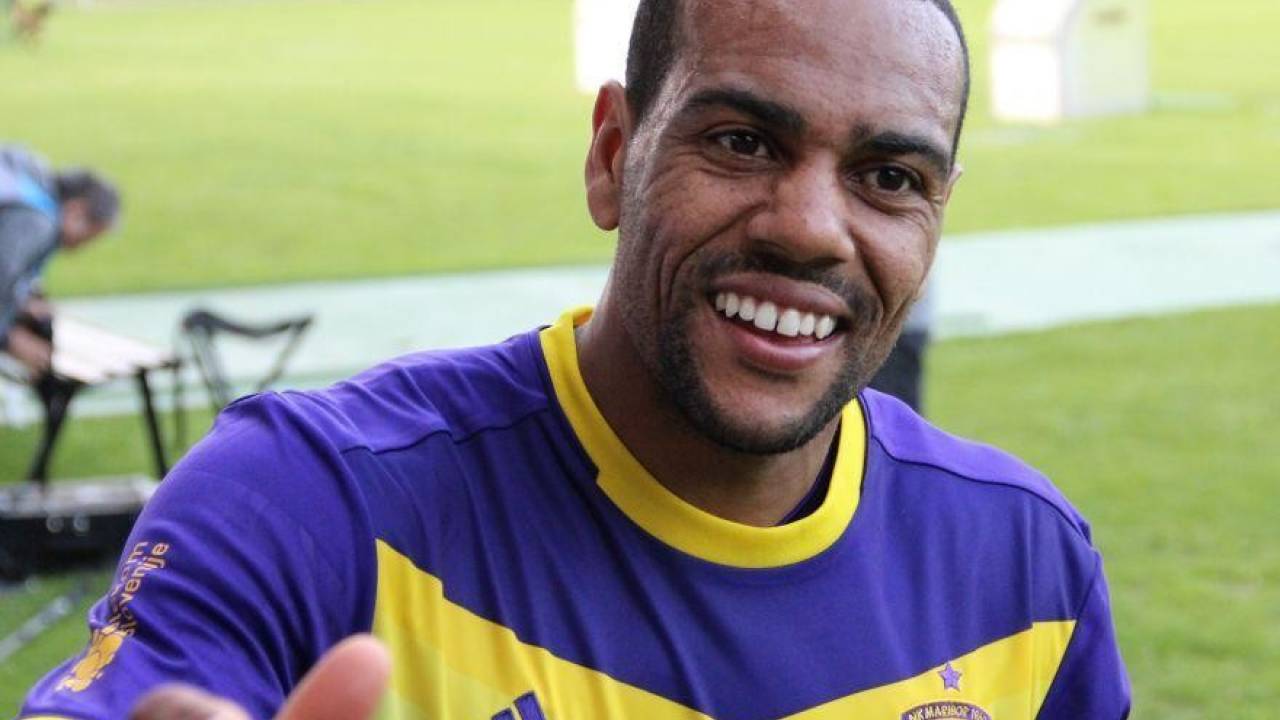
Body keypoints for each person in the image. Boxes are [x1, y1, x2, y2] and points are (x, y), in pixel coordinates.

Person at [20, 0, 1131, 718]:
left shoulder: (1026, 568)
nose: (809, 229)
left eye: (889, 178)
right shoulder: (311, 503)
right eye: (741, 142)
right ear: (612, 156)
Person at [0, 145, 120, 377]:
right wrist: (9, 339)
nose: (79, 249)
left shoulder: (27, 178)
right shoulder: (37, 224)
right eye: (88, 238)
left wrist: (21, 301)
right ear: (76, 210)